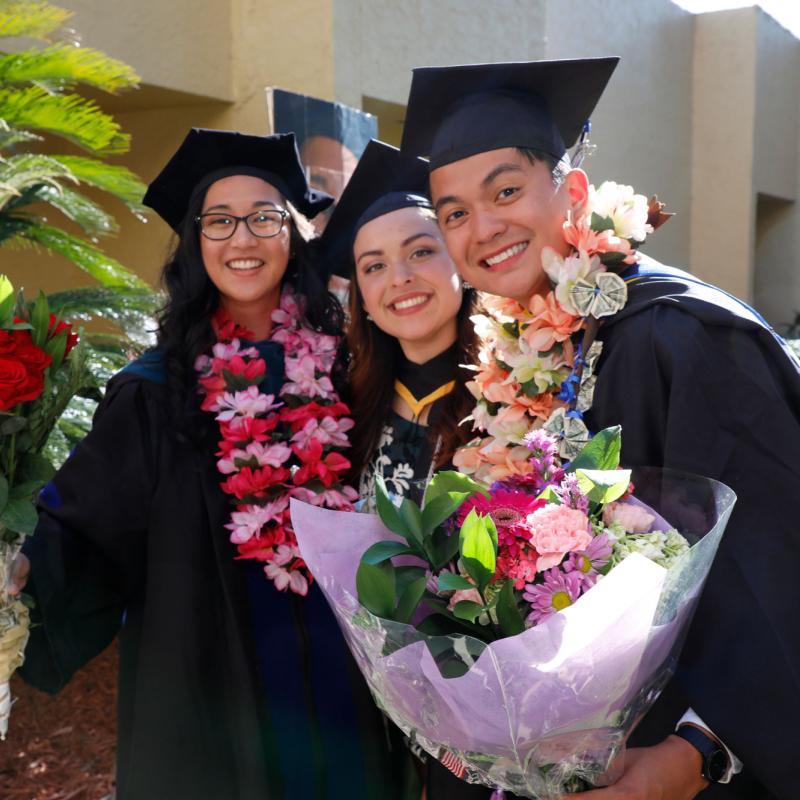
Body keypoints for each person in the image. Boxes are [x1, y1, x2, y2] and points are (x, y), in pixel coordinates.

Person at [399, 59, 800, 800]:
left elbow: (779, 581)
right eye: (453, 213)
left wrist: (692, 759)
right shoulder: (520, 360)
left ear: (573, 191)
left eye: (506, 191)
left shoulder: (681, 338)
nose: (483, 228)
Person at [13, 129, 418, 800]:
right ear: (197, 245)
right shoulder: (155, 390)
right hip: (213, 679)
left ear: (292, 234)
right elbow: (86, 526)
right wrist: (24, 567)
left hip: (348, 673)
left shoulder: (350, 369)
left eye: (265, 217)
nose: (243, 239)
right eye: (220, 221)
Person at [320, 139, 488, 799]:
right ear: (359, 291)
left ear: (460, 260)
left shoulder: (523, 392)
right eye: (374, 265)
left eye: (421, 251)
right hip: (379, 713)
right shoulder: (347, 409)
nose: (401, 279)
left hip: (500, 707)